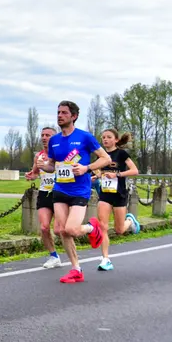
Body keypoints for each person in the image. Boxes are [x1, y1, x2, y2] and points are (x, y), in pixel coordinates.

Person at [37, 101, 111, 284]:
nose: (59, 115)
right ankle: (76, 269)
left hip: (80, 190)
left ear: (74, 116)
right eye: (58, 112)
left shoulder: (85, 137)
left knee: (71, 228)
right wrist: (43, 166)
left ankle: (92, 228)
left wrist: (87, 168)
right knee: (63, 231)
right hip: (60, 188)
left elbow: (105, 158)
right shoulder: (54, 141)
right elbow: (53, 166)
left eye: (64, 113)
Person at [95, 128, 141, 271]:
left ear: (115, 140)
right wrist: (95, 176)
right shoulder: (100, 155)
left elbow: (135, 170)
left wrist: (118, 174)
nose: (105, 140)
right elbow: (98, 171)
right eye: (103, 137)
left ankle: (130, 221)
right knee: (103, 226)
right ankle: (105, 259)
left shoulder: (121, 154)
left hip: (119, 194)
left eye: (109, 137)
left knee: (119, 230)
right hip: (104, 195)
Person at [24, 126, 62, 269]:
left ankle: (74, 251)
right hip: (44, 193)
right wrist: (31, 175)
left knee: (59, 230)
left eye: (48, 135)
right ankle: (54, 256)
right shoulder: (38, 156)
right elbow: (35, 173)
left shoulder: (61, 153)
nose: (44, 137)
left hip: (60, 194)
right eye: (43, 135)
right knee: (44, 227)